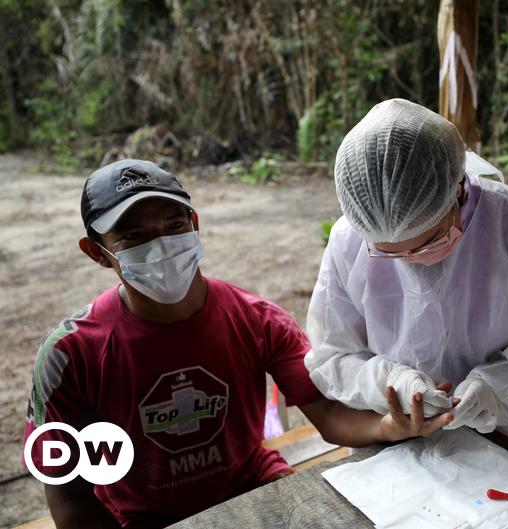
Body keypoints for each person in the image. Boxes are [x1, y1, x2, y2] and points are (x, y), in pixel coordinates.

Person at [23, 159, 448, 529]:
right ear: (97, 252)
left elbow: (328, 412)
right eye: (134, 237)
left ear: (195, 225)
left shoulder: (256, 319)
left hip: (255, 491)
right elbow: (69, 495)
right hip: (144, 519)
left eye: (173, 226)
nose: (161, 246)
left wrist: (388, 428)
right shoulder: (69, 355)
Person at [305, 98, 508, 449]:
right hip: (392, 443)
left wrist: (497, 385)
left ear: (457, 189)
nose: (412, 261)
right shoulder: (349, 241)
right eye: (391, 253)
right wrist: (390, 382)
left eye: (427, 243)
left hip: (499, 439)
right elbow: (331, 355)